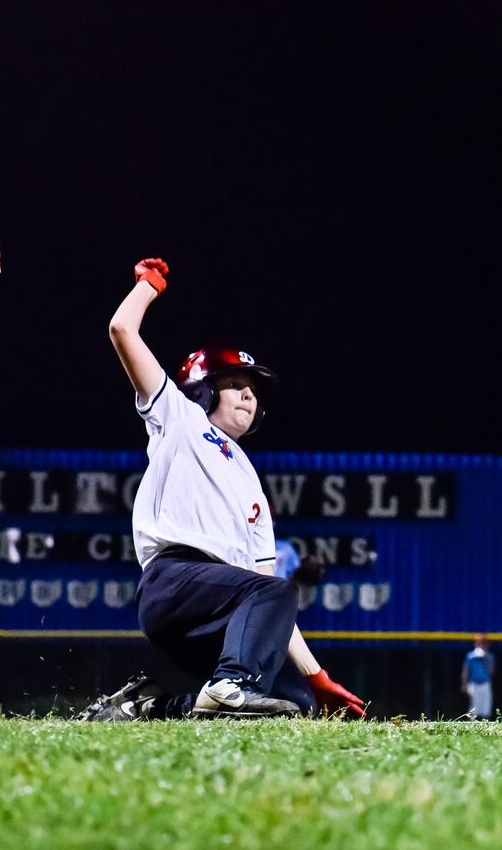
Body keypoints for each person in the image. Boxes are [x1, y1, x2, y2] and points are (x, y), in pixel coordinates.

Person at [81, 258, 365, 721]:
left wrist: (316, 678)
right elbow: (122, 331)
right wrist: (146, 289)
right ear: (203, 392)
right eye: (233, 384)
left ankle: (143, 709)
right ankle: (230, 684)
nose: (248, 395)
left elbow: (269, 592)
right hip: (173, 582)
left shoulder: (249, 478)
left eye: (251, 389)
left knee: (289, 702)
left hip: (218, 608)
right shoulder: (179, 417)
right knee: (273, 601)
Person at [461, 634, 495, 720]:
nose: (482, 645)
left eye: (484, 643)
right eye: (480, 643)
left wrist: (485, 658)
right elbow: (466, 671)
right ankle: (471, 725)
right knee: (474, 706)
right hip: (474, 683)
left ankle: (486, 725)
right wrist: (464, 685)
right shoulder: (470, 656)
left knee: (486, 705)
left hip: (485, 684)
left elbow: (491, 671)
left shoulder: (490, 656)